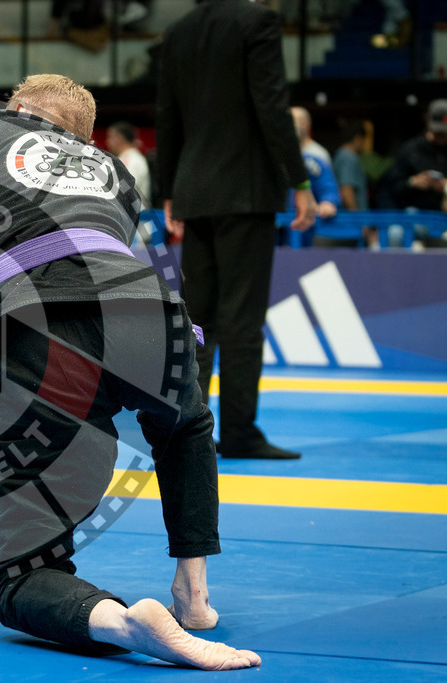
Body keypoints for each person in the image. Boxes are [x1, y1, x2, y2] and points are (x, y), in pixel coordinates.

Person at [0, 74, 260, 671]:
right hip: (152, 309)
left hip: (40, 322)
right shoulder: (117, 174)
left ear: (15, 107)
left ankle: (124, 623)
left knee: (23, 577)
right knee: (184, 427)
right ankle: (194, 593)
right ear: (84, 137)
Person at [156, 0, 316, 460]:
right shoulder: (257, 21)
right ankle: (241, 432)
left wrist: (169, 190)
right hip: (245, 190)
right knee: (243, 319)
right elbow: (272, 104)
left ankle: (189, 428)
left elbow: (167, 114)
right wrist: (300, 181)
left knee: (200, 321)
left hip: (195, 189)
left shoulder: (179, 31)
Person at [380, 99, 447, 213]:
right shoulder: (411, 149)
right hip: (414, 215)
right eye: (438, 132)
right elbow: (390, 187)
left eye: (444, 132)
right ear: (427, 121)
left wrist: (445, 186)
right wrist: (412, 182)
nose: (441, 136)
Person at [106, 120, 152, 208]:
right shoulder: (125, 158)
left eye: (110, 137)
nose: (107, 141)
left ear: (119, 138)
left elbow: (126, 191)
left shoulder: (132, 160)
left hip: (135, 213)